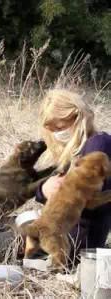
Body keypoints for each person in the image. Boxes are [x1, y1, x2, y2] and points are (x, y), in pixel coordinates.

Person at [35, 89, 111, 253]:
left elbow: (91, 201)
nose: (57, 134)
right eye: (52, 130)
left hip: (76, 239)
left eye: (60, 127)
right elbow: (46, 190)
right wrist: (44, 189)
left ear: (78, 117)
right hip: (61, 229)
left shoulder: (97, 144)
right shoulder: (75, 150)